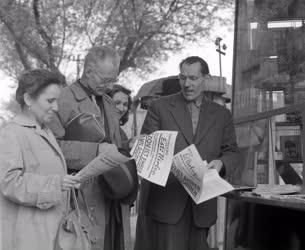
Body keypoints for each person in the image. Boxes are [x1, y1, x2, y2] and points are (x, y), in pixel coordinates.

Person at [134, 56, 240, 250]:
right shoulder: (160, 107)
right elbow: (147, 147)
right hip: (167, 203)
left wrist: (221, 164)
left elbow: (232, 152)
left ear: (205, 78)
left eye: (193, 78)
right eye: (183, 78)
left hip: (202, 206)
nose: (187, 84)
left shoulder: (222, 114)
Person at [48, 46, 137, 250]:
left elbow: (114, 143)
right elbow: (52, 149)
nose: (110, 86)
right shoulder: (63, 99)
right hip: (81, 198)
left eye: (113, 80)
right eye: (106, 80)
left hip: (113, 192)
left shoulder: (107, 101)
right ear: (88, 72)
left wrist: (129, 145)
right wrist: (94, 151)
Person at [0, 69, 80, 250]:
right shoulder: (10, 133)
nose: (56, 107)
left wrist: (68, 182)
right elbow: (9, 183)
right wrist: (56, 184)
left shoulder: (46, 130)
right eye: (50, 101)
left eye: (57, 101)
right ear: (28, 100)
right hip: (28, 239)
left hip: (51, 234)